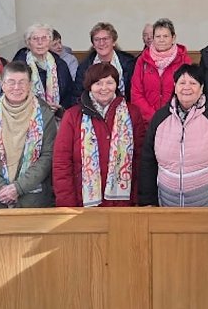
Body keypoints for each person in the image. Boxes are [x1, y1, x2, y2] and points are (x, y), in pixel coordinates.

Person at [138, 64, 208, 207]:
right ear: (175, 86)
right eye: (182, 82)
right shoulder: (160, 117)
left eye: (193, 83)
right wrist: (147, 201)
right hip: (166, 204)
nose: (187, 87)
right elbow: (148, 161)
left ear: (201, 87)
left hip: (207, 204)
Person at [0, 61, 58, 208]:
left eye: (22, 82)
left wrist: (18, 188)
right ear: (2, 85)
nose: (17, 87)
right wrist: (0, 188)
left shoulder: (45, 116)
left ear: (29, 85)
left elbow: (48, 157)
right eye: (11, 82)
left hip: (32, 201)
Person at [53, 63, 146, 207]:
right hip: (82, 201)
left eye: (109, 82)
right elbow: (62, 163)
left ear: (117, 85)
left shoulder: (132, 114)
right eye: (98, 83)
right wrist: (67, 204)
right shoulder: (72, 116)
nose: (104, 88)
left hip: (123, 203)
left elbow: (140, 159)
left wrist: (138, 199)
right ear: (89, 86)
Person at [131, 18, 191, 123]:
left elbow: (189, 91)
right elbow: (136, 93)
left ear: (173, 38)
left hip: (177, 120)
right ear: (153, 38)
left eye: (166, 36)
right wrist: (153, 117)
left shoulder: (184, 60)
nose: (161, 40)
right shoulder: (142, 60)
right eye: (158, 36)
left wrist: (170, 115)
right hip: (147, 122)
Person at [13, 23, 74, 115]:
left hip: (57, 118)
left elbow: (69, 93)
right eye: (35, 39)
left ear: (49, 41)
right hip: (27, 117)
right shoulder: (19, 66)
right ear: (28, 43)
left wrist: (61, 108)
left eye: (44, 38)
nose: (40, 42)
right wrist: (41, 106)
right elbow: (13, 94)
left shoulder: (60, 64)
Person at [73, 22, 137, 103]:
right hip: (93, 110)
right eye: (97, 39)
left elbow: (135, 92)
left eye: (105, 39)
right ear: (93, 44)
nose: (101, 43)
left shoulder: (129, 63)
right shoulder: (85, 66)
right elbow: (77, 95)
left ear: (113, 42)